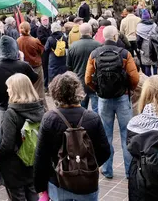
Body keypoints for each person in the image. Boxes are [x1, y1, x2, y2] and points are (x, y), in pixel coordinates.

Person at [33, 72, 110, 200]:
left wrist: (40, 186)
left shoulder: (50, 119)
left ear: (55, 93)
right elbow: (105, 151)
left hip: (58, 181)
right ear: (78, 90)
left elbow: (41, 156)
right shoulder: (92, 117)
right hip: (87, 182)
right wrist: (88, 165)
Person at [85, 26, 140, 179]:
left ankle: (107, 169)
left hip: (104, 99)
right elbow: (135, 78)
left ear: (103, 37)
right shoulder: (124, 53)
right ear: (116, 36)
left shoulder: (94, 54)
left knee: (106, 135)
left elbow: (87, 78)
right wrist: (129, 89)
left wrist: (97, 89)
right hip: (122, 97)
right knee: (126, 135)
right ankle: (130, 171)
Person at [0, 74, 44, 200]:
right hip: (33, 162)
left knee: (18, 197)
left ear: (16, 90)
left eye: (9, 88)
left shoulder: (11, 114)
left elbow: (7, 145)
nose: (7, 90)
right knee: (33, 194)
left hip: (14, 168)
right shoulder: (40, 109)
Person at [0, 35, 39, 132]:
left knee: (5, 140)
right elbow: (34, 78)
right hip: (22, 108)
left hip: (3, 108)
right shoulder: (23, 65)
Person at [67, 23, 101, 113]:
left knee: (81, 110)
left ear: (80, 33)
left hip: (79, 82)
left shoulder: (73, 47)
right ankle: (96, 125)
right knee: (97, 110)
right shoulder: (98, 45)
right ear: (91, 32)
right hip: (94, 82)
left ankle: (82, 126)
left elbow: (69, 67)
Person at [136, 9, 157, 76]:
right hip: (153, 44)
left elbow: (138, 39)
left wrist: (138, 48)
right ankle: (156, 77)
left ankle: (148, 79)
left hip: (144, 46)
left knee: (146, 64)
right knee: (155, 63)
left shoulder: (139, 26)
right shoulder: (154, 24)